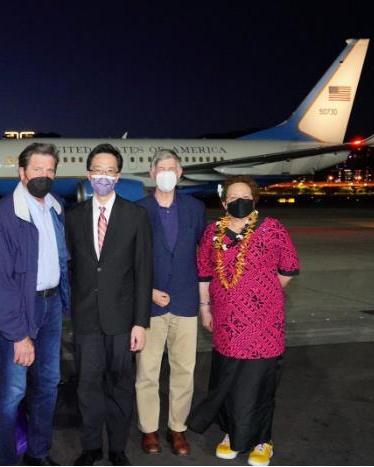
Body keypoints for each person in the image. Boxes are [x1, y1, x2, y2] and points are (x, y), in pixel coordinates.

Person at [186, 175, 299, 467]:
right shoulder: (213, 233)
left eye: (245, 197)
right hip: (226, 322)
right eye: (233, 198)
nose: (239, 202)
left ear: (255, 200)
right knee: (228, 379)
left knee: (259, 381)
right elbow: (204, 273)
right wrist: (205, 309)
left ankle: (263, 440)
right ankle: (231, 434)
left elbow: (288, 268)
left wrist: (262, 295)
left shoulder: (272, 228)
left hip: (264, 324)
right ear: (224, 203)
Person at [66, 143, 153, 466]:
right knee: (87, 385)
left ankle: (117, 448)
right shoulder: (73, 216)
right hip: (87, 319)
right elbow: (71, 268)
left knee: (120, 386)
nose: (103, 176)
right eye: (98, 171)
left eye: (110, 171)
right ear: (88, 175)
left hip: (122, 320)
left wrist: (140, 322)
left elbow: (144, 272)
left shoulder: (136, 216)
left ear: (118, 176)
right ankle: (91, 447)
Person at [0, 142, 71, 466]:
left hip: (51, 306)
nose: (44, 176)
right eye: (37, 169)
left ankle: (37, 454)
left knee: (48, 384)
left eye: (50, 170)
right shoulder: (5, 215)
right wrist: (19, 335)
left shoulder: (56, 207)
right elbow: (2, 282)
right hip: (20, 310)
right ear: (22, 173)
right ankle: (8, 460)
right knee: (14, 391)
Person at [135, 149, 206, 456]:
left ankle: (177, 428)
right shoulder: (139, 210)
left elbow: (204, 253)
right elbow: (131, 259)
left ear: (180, 173)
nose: (166, 173)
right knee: (147, 371)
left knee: (184, 370)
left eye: (171, 168)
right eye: (160, 168)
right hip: (150, 304)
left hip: (186, 301)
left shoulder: (195, 208)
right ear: (152, 174)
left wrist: (205, 301)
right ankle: (149, 429)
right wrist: (147, 290)